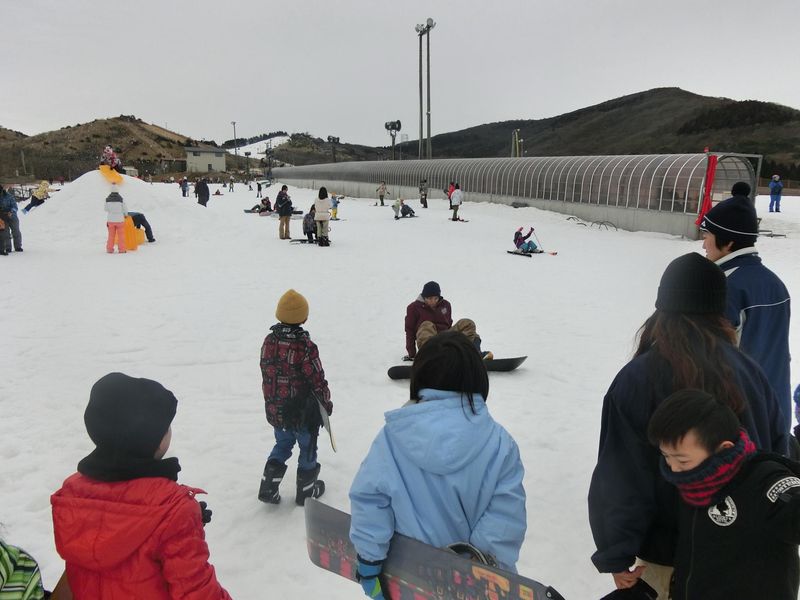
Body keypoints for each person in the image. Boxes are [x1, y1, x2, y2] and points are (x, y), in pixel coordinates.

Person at [588, 253, 787, 598]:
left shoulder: (638, 379)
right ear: (719, 311)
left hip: (671, 559)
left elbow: (620, 475)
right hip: (746, 554)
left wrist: (616, 551)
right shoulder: (750, 372)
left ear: (661, 310)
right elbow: (776, 453)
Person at [349, 330, 526, 600]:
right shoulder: (500, 445)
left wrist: (370, 562)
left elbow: (371, 500)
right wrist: (472, 571)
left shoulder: (392, 438)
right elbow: (504, 518)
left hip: (409, 581)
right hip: (479, 588)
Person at [50, 372, 231, 599]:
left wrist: (175, 526)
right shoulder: (173, 510)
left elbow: (110, 528)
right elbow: (197, 592)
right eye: (165, 427)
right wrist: (178, 523)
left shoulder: (72, 494)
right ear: (151, 440)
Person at [647, 389, 800, 600]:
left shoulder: (765, 479)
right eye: (666, 457)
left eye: (682, 460)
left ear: (722, 449)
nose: (673, 469)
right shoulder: (693, 483)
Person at [700, 190, 791, 433]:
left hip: (739, 416)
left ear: (728, 242)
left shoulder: (725, 286)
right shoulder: (774, 282)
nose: (703, 243)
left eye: (707, 234)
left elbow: (713, 360)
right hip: (775, 407)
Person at [258, 289, 333, 505]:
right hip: (303, 412)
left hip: (276, 409)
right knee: (307, 447)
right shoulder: (304, 346)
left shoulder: (269, 341)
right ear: (304, 317)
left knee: (282, 444)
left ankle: (268, 486)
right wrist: (325, 402)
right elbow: (317, 378)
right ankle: (306, 492)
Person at [404, 281, 489, 361]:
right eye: (429, 298)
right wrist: (412, 354)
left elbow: (448, 324)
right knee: (427, 325)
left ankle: (472, 354)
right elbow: (410, 331)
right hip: (429, 341)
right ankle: (432, 358)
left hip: (445, 338)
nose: (433, 301)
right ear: (424, 297)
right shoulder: (413, 308)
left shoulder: (445, 305)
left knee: (467, 323)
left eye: (435, 298)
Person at [104, 184, 128, 254]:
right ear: (117, 190)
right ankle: (122, 250)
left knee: (111, 236)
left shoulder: (107, 200)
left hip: (110, 221)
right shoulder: (121, 199)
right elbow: (125, 209)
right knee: (121, 236)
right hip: (120, 220)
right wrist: (126, 215)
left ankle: (109, 249)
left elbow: (105, 209)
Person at [0, 185, 21, 254]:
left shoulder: (9, 196)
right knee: (5, 233)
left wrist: (11, 212)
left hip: (12, 216)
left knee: (16, 231)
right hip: (2, 217)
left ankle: (18, 246)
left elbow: (15, 206)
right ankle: (8, 248)